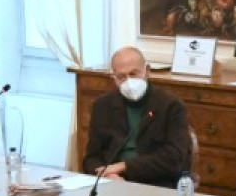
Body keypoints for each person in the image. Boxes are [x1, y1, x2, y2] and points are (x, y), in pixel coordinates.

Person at [78, 46, 192, 188]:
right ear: (113, 79)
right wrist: (109, 175)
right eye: (121, 77)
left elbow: (174, 159)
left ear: (147, 71)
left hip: (156, 185)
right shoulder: (102, 106)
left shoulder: (171, 105)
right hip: (112, 184)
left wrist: (123, 166)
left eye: (133, 74)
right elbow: (91, 158)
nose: (128, 81)